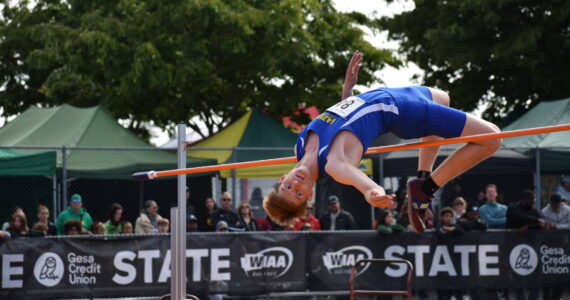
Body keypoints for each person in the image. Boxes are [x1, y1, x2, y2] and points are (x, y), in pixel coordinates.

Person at [263, 50, 501, 233]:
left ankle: (423, 175)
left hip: (392, 93)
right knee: (492, 138)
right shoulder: (335, 165)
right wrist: (373, 193)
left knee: (444, 99)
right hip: (405, 111)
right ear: (309, 196)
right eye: (298, 193)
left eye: (288, 187)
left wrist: (347, 91)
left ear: (282, 179)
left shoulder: (300, 146)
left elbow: (346, 122)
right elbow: (363, 182)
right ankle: (426, 189)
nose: (296, 184)